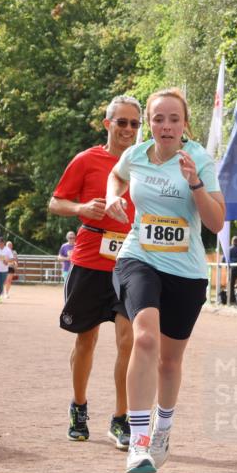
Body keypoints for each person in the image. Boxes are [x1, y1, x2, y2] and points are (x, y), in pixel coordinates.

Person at [104, 88, 224, 473]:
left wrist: (195, 184)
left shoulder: (199, 159)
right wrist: (113, 197)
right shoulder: (136, 155)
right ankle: (138, 442)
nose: (166, 126)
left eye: (174, 119)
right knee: (144, 339)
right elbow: (116, 175)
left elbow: (216, 222)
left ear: (185, 124)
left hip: (186, 271)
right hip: (139, 257)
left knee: (170, 361)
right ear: (149, 123)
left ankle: (162, 431)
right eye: (158, 119)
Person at [49, 95, 142, 448]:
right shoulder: (86, 160)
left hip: (132, 262)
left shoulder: (146, 162)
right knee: (85, 340)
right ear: (108, 124)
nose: (128, 129)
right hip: (91, 259)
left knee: (128, 341)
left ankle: (121, 419)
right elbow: (55, 202)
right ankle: (79, 407)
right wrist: (81, 208)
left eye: (135, 123)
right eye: (122, 122)